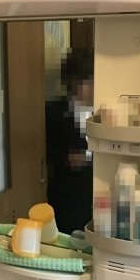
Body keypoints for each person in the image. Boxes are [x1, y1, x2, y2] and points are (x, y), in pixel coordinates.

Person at [45, 49, 94, 234]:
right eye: (84, 81)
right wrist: (65, 158)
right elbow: (43, 152)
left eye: (92, 80)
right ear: (70, 81)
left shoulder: (105, 111)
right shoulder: (53, 111)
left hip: (98, 192)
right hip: (67, 193)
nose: (90, 86)